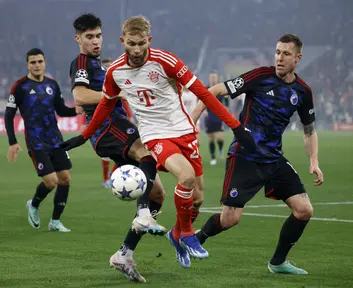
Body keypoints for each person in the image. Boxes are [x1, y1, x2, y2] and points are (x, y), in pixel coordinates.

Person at [60, 15, 255, 269]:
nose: (137, 49)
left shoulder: (167, 61)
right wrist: (84, 136)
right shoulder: (114, 71)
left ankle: (146, 245)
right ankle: (183, 232)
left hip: (182, 130)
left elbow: (204, 94)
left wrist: (236, 127)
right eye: (132, 44)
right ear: (122, 42)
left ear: (148, 40)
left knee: (194, 197)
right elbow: (102, 103)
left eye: (142, 43)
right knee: (180, 175)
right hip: (154, 135)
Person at [191, 34, 324, 275]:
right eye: (277, 52)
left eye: (286, 53)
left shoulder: (303, 91)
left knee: (304, 210)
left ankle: (278, 262)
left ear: (298, 58)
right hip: (245, 157)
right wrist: (197, 112)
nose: (280, 58)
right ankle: (196, 239)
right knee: (230, 219)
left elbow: (309, 130)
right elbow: (218, 89)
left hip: (274, 159)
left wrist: (313, 160)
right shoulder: (260, 76)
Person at [68, 13, 167, 282]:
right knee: (146, 153)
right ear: (78, 39)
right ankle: (144, 214)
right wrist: (115, 94)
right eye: (89, 37)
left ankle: (124, 253)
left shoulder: (96, 63)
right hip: (106, 128)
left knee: (158, 193)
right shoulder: (81, 62)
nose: (95, 41)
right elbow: (80, 95)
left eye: (98, 35)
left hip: (113, 126)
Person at [5, 48, 82, 232]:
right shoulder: (20, 86)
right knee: (51, 181)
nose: (37, 65)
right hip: (36, 141)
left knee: (65, 179)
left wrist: (76, 110)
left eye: (40, 61)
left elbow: (61, 110)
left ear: (45, 62)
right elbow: (9, 115)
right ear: (27, 65)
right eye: (33, 62)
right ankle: (33, 204)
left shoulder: (52, 85)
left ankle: (55, 221)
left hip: (56, 139)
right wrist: (12, 142)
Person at [99, 57, 134, 188]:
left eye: (110, 66)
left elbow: (124, 99)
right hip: (103, 121)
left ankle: (113, 175)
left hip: (119, 120)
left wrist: (129, 116)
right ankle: (106, 179)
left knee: (123, 149)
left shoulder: (118, 81)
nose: (108, 69)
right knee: (106, 154)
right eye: (106, 67)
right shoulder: (99, 84)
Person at [204, 72, 229, 165]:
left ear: (217, 78)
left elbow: (226, 103)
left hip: (218, 116)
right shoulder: (205, 89)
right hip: (209, 117)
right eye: (211, 77)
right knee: (211, 138)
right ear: (209, 78)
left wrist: (225, 110)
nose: (213, 79)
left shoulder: (221, 88)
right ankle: (213, 157)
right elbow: (201, 101)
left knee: (219, 138)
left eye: (214, 77)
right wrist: (204, 111)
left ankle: (221, 148)